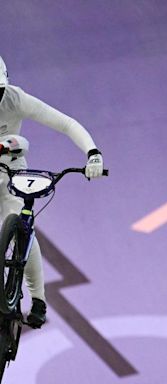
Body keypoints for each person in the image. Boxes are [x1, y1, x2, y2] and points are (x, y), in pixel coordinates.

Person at [0, 56, 104, 328]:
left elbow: (66, 123)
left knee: (24, 226)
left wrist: (93, 153)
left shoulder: (16, 99)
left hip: (12, 172)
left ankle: (38, 300)